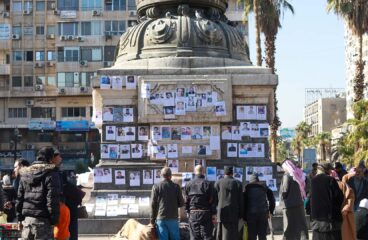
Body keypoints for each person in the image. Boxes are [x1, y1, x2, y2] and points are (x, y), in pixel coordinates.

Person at [16, 146, 61, 240]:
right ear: (51, 158)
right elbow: (52, 200)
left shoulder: (25, 174)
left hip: (27, 222)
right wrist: (54, 220)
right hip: (43, 223)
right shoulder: (51, 174)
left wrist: (19, 218)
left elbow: (20, 198)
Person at [310, 163, 344, 240]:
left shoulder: (313, 181)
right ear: (327, 170)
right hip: (330, 221)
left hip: (317, 219)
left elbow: (311, 198)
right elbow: (339, 197)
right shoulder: (331, 180)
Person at [150, 167, 184, 240]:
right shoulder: (176, 187)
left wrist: (152, 220)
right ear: (170, 176)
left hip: (161, 218)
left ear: (161, 176)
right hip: (173, 218)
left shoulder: (156, 187)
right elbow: (181, 203)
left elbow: (153, 204)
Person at [279, 160, 309, 240]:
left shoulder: (287, 176)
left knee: (289, 226)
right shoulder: (299, 174)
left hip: (288, 205)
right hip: (299, 203)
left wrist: (282, 199)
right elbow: (306, 187)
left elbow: (284, 190)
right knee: (301, 225)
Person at [184, 165, 215, 240]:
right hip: (206, 212)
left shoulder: (188, 184)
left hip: (193, 212)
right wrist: (213, 213)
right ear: (203, 172)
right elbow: (212, 199)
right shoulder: (209, 184)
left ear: (195, 172)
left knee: (194, 236)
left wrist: (187, 211)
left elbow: (186, 200)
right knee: (207, 236)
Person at [243, 173, 275, 240]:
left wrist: (244, 217)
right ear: (258, 180)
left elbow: (244, 203)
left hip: (250, 214)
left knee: (251, 235)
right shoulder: (264, 187)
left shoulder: (247, 188)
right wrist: (271, 211)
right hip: (263, 214)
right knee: (262, 235)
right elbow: (272, 199)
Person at [214, 166, 243, 240]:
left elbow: (215, 199)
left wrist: (214, 212)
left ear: (224, 173)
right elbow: (241, 200)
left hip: (221, 212)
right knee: (233, 233)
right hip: (234, 212)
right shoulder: (238, 183)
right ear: (232, 173)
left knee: (221, 233)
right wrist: (241, 214)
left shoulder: (218, 183)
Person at [330, 170, 356, 240]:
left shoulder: (338, 184)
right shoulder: (344, 185)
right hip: (343, 214)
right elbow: (350, 198)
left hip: (337, 215)